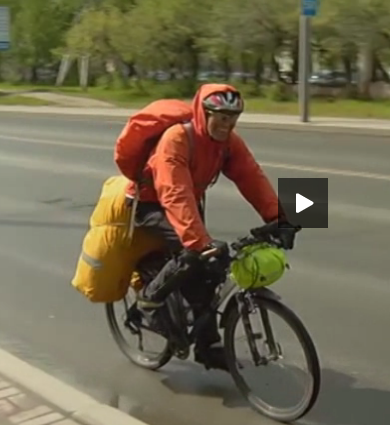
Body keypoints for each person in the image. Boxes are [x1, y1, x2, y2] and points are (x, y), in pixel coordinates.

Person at [124, 83, 298, 371]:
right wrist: (199, 242)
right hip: (150, 203)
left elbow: (251, 176)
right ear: (203, 113)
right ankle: (149, 303)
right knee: (193, 254)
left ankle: (209, 346)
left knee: (210, 274)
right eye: (220, 117)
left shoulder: (229, 143)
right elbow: (173, 192)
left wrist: (278, 218)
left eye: (232, 118)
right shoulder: (177, 138)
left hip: (189, 201)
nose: (226, 124)